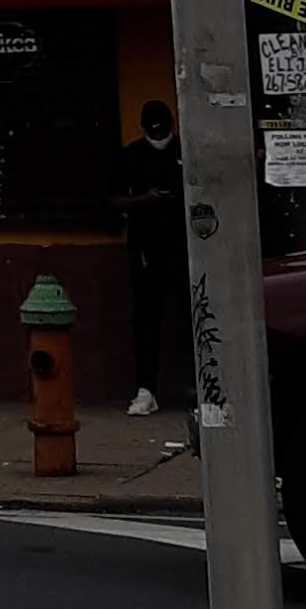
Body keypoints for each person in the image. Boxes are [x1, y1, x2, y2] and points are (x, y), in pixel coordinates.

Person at [114, 99, 187, 417]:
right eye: (154, 131)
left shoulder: (187, 151)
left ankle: (202, 386)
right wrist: (145, 200)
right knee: (145, 321)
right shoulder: (131, 156)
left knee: (194, 318)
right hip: (146, 249)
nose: (159, 136)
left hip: (184, 246)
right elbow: (114, 199)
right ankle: (146, 389)